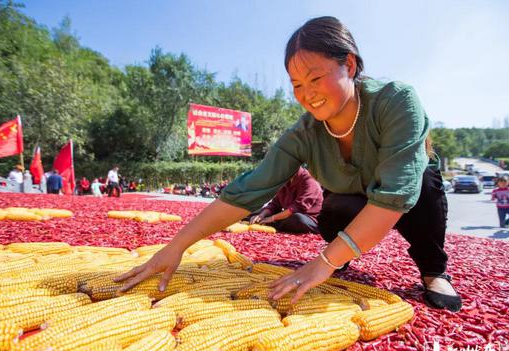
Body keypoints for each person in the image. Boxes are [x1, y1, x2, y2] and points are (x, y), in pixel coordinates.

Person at [115, 16, 462, 312]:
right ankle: (342, 256)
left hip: (409, 196)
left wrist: (321, 263)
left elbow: (394, 195)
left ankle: (434, 271)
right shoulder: (303, 133)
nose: (306, 93)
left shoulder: (396, 100)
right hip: (352, 200)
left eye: (315, 78)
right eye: (296, 84)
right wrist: (176, 247)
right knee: (335, 206)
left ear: (350, 65)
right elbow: (247, 191)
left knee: (425, 188)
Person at [249, 167, 323, 234]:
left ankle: (273, 223)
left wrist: (272, 218)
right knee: (254, 213)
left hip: (309, 219)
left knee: (297, 218)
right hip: (287, 217)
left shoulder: (309, 179)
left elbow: (298, 208)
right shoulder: (284, 180)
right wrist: (262, 215)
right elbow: (275, 204)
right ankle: (269, 222)